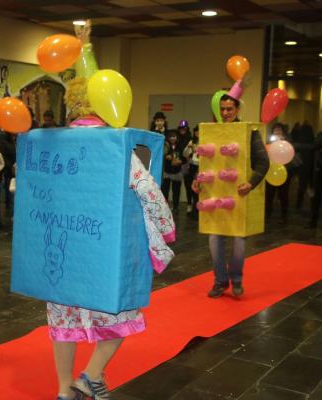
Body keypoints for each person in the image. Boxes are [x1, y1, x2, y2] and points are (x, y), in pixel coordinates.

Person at [47, 20, 174, 400]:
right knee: (122, 317)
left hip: (62, 250)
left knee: (63, 323)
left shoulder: (55, 144)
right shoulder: (116, 148)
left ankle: (64, 390)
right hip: (105, 253)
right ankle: (92, 374)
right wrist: (165, 231)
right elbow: (149, 192)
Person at [192, 94, 269, 298]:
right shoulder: (212, 133)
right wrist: (197, 179)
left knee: (238, 244)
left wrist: (251, 183)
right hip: (215, 194)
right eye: (223, 109)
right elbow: (206, 162)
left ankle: (236, 279)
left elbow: (263, 163)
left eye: (229, 109)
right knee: (214, 241)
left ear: (237, 110)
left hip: (237, 195)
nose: (225, 113)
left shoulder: (249, 133)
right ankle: (220, 281)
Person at [265, 123, 301, 222]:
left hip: (284, 172)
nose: (277, 132)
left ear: (283, 133)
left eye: (279, 130)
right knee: (269, 194)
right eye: (275, 130)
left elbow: (290, 156)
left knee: (283, 194)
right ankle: (267, 213)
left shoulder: (287, 144)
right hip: (271, 172)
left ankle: (284, 215)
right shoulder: (269, 143)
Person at [293, 120, 315, 212]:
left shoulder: (298, 144)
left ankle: (298, 205)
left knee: (302, 187)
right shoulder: (312, 143)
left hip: (302, 168)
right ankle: (313, 205)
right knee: (311, 187)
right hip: (311, 167)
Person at [162, 130, 184, 214]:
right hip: (166, 171)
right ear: (168, 137)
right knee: (165, 191)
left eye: (174, 136)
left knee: (176, 191)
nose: (172, 138)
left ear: (176, 137)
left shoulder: (180, 145)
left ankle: (175, 207)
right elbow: (161, 155)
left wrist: (181, 161)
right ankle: (165, 208)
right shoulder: (165, 145)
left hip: (177, 172)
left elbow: (184, 158)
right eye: (171, 136)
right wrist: (166, 157)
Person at [183, 125, 200, 218]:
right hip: (192, 166)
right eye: (196, 131)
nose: (197, 133)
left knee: (198, 189)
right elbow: (185, 154)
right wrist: (189, 148)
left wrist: (197, 150)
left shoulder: (205, 141)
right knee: (191, 188)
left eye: (199, 131)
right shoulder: (192, 141)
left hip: (200, 166)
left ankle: (198, 211)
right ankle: (193, 210)